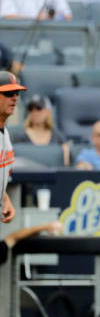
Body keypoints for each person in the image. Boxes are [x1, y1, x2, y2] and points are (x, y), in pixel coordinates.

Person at [0, 71, 27, 224]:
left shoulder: (5, 133)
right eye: (8, 93)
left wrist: (4, 198)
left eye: (16, 93)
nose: (15, 98)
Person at [16, 94, 70, 166]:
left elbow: (66, 163)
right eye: (31, 109)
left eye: (39, 108)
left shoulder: (58, 136)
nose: (34, 112)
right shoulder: (22, 136)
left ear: (48, 112)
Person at [1, 0, 73, 20]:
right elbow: (7, 17)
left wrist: (51, 17)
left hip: (50, 37)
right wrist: (35, 19)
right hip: (19, 39)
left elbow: (67, 16)